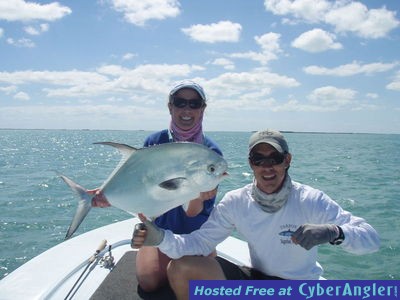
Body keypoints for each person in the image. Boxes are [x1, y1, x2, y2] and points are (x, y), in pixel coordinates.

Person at [132, 129, 380, 300]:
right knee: (182, 266)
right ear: (251, 164)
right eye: (258, 159)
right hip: (256, 281)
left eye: (275, 158)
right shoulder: (236, 201)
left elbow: (370, 240)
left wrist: (335, 232)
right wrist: (160, 238)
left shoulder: (311, 200)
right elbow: (199, 242)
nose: (267, 166)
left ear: (287, 160)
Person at [91, 80, 222, 292]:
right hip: (159, 231)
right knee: (149, 282)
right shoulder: (154, 141)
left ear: (202, 109)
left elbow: (193, 213)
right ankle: (145, 232)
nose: (187, 109)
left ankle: (197, 256)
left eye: (194, 103)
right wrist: (108, 195)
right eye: (180, 102)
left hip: (196, 234)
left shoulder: (211, 153)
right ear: (170, 106)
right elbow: (140, 183)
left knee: (193, 278)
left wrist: (196, 196)